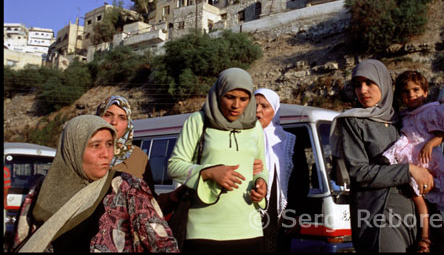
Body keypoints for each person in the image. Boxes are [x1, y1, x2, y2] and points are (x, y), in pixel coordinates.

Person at [12, 115, 179, 252]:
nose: (106, 154)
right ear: (73, 150)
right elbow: (23, 241)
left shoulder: (128, 189)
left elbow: (163, 245)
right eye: (95, 145)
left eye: (109, 144)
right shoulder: (42, 190)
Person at [329, 59, 435, 253]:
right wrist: (410, 170)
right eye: (357, 84)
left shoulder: (401, 120)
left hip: (413, 212)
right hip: (378, 212)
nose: (362, 90)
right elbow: (358, 172)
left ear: (384, 83)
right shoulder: (353, 122)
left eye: (369, 83)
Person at [167, 67, 268, 252]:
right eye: (230, 97)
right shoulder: (198, 121)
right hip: (204, 230)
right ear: (218, 93)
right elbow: (174, 166)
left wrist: (262, 183)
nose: (236, 105)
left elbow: (261, 167)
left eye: (243, 99)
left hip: (249, 229)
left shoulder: (255, 128)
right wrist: (208, 172)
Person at [382, 70, 444, 252]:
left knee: (422, 198)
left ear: (425, 92)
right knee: (417, 198)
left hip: (426, 159)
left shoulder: (431, 111)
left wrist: (430, 145)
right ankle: (424, 235)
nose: (411, 95)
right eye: (406, 92)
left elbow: (440, 134)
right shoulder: (404, 115)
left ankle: (426, 237)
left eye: (416, 90)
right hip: (411, 158)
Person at [253, 88, 309, 252]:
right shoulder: (241, 138)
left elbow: (301, 179)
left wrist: (296, 214)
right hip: (248, 211)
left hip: (281, 216)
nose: (258, 111)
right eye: (254, 105)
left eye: (264, 106)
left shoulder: (288, 141)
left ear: (275, 110)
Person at [96, 95, 156, 195]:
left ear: (128, 124)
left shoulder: (139, 158)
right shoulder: (84, 151)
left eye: (122, 118)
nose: (114, 122)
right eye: (108, 115)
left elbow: (150, 200)